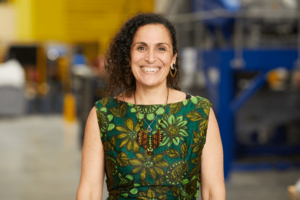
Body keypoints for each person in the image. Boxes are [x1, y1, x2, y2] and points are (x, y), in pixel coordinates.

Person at [77, 13, 225, 200]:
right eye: (141, 48)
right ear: (128, 56)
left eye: (161, 48)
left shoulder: (200, 113)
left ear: (173, 59)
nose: (150, 58)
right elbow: (89, 192)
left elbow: (213, 192)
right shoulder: (103, 114)